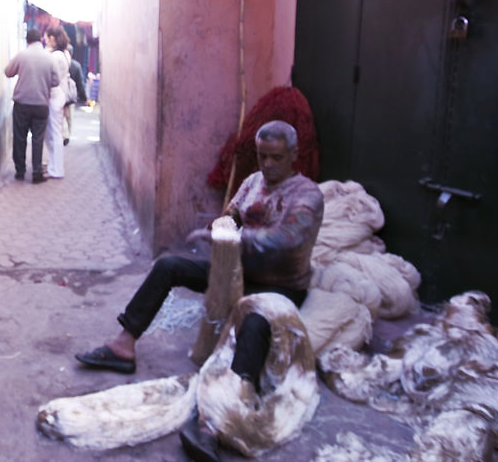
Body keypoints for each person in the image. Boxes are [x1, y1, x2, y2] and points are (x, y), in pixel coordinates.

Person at [74, 120, 324, 459]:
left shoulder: (308, 195)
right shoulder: (253, 182)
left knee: (253, 324)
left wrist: (235, 238)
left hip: (279, 286)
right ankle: (124, 345)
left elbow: (285, 240)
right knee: (168, 266)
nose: (267, 164)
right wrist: (219, 227)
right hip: (234, 272)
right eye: (262, 156)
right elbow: (231, 217)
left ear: (294, 155)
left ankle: (215, 422)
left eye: (276, 157)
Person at [4, 28, 58, 183]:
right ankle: (36, 172)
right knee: (37, 139)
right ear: (40, 39)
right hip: (41, 104)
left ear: (27, 40)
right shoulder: (49, 58)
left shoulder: (22, 55)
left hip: (22, 103)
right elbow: (56, 81)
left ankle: (20, 171)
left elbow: (8, 72)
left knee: (20, 137)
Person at [43, 26, 70, 178]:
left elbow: (48, 73)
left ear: (52, 38)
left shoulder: (56, 56)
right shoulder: (65, 53)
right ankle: (53, 166)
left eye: (46, 38)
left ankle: (56, 169)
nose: (45, 40)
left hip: (54, 97)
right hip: (58, 96)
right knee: (53, 134)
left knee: (54, 134)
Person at [63, 44, 86, 144]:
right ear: (72, 53)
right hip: (71, 96)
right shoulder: (76, 65)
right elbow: (80, 84)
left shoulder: (58, 63)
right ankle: (67, 135)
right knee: (69, 117)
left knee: (62, 117)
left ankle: (65, 135)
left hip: (60, 94)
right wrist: (84, 97)